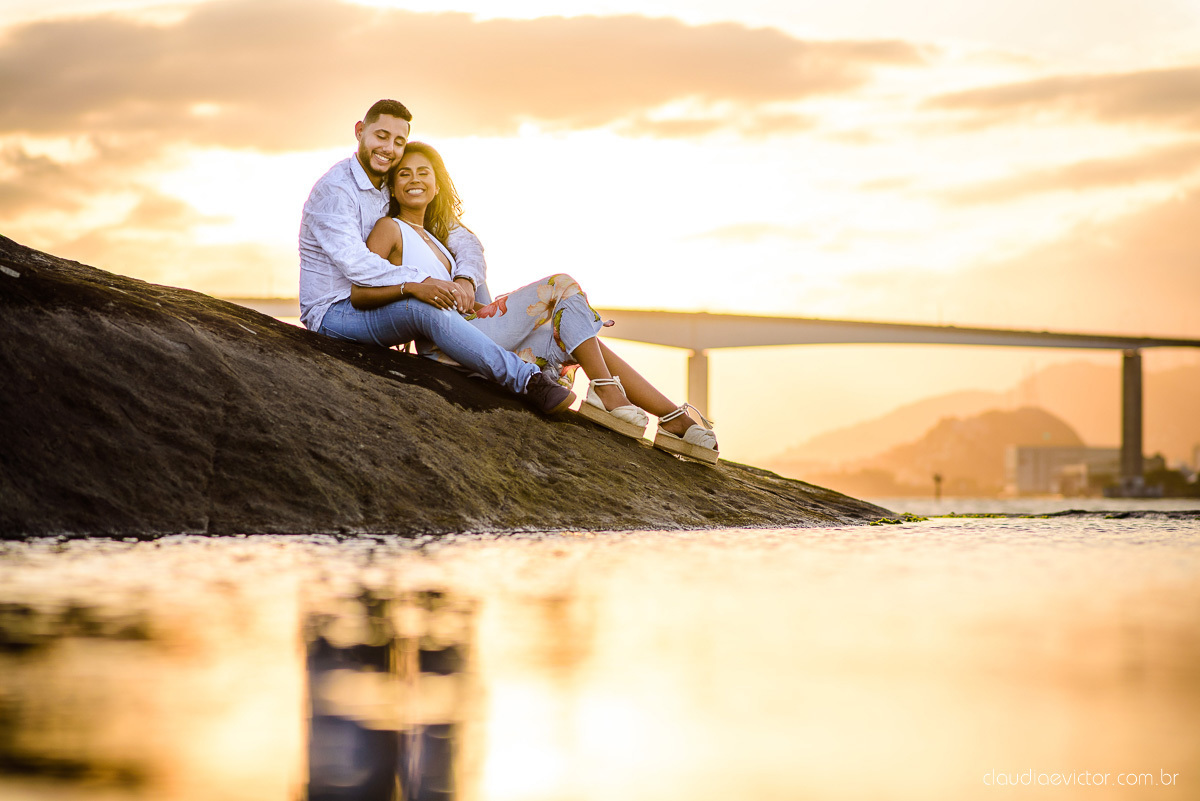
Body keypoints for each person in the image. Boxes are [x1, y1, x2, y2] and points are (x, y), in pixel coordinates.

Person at [350, 142, 719, 463]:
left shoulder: (446, 243)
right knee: (561, 284)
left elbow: (481, 303)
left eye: (423, 173)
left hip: (476, 340)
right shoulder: (389, 229)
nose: (414, 179)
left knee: (571, 335)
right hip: (444, 342)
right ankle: (607, 391)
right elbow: (360, 293)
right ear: (393, 189)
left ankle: (670, 417)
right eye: (404, 175)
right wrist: (415, 288)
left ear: (436, 185)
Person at [298, 99, 573, 415]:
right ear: (360, 132)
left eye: (398, 142)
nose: (388, 148)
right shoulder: (336, 192)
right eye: (381, 136)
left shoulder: (389, 183)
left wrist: (464, 280)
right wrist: (419, 283)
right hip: (335, 311)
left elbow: (465, 242)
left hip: (377, 300)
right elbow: (356, 264)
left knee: (473, 286)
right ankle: (527, 380)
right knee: (423, 307)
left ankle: (486, 353)